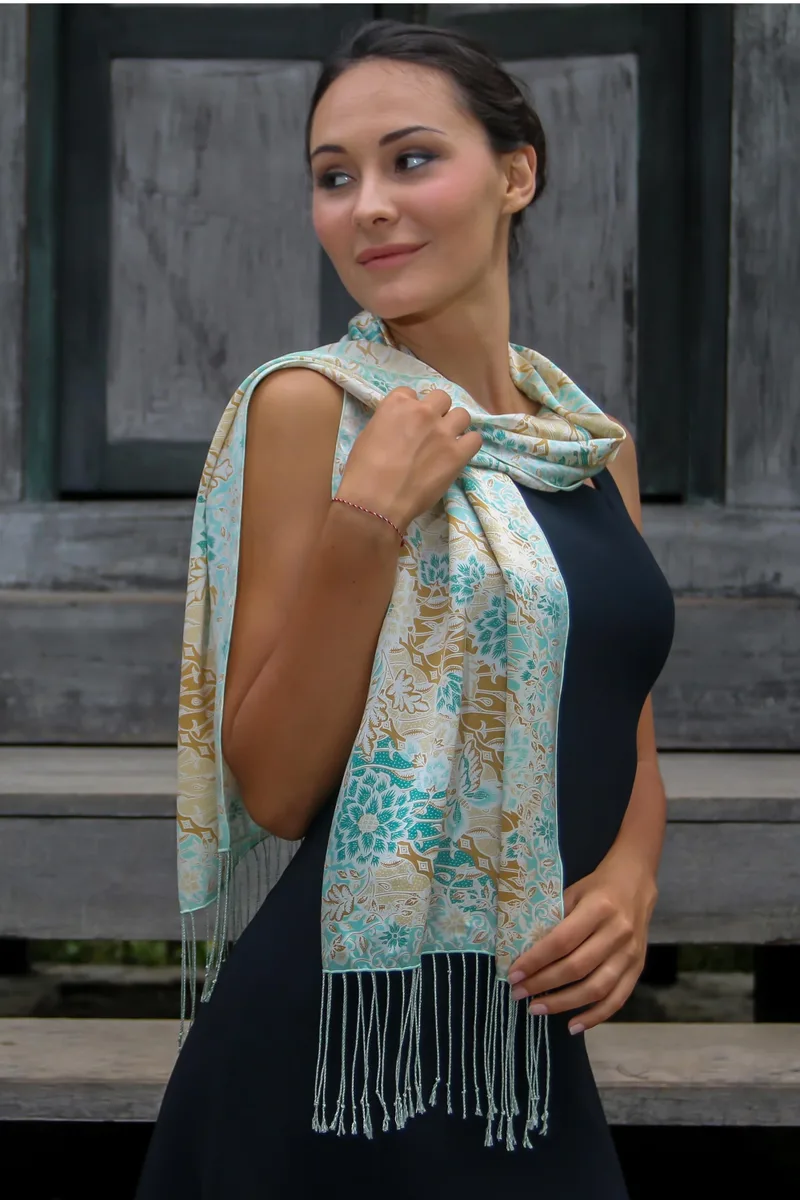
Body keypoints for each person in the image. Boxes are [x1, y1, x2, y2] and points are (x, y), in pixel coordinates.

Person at [136, 18, 675, 1199]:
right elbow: (275, 788)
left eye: (411, 159)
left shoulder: (587, 446)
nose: (368, 205)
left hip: (526, 1031)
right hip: (340, 1047)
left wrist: (632, 877)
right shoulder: (306, 409)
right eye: (334, 177)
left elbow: (618, 723)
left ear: (514, 174)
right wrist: (367, 517)